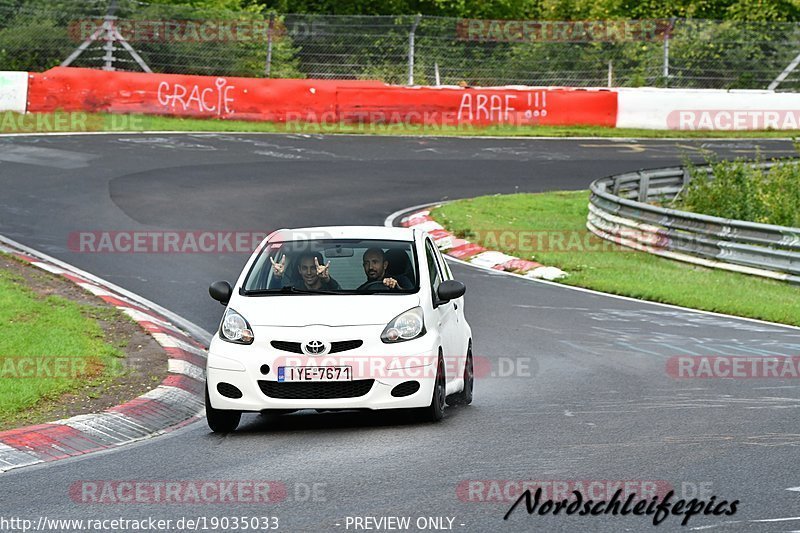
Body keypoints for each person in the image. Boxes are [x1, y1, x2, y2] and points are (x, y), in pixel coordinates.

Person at [270, 252, 340, 290]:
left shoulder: (330, 288)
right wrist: (277, 278)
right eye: (304, 268)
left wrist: (328, 280)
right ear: (299, 270)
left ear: (320, 268)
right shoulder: (294, 289)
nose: (309, 272)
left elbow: (340, 293)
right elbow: (275, 296)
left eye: (313, 268)